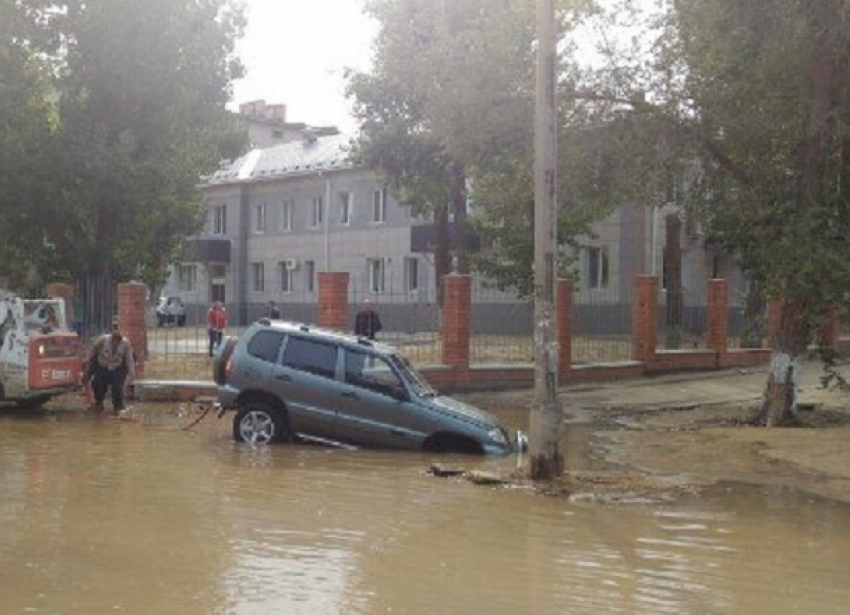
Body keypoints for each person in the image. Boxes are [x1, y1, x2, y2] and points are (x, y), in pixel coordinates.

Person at [86, 318, 135, 415]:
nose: (115, 345)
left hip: (116, 367)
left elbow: (129, 359)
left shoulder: (125, 343)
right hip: (102, 365)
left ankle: (118, 407)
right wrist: (87, 359)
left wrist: (131, 372)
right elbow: (93, 349)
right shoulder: (103, 340)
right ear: (112, 339)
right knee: (98, 385)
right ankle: (99, 404)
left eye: (118, 343)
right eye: (114, 342)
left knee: (117, 387)